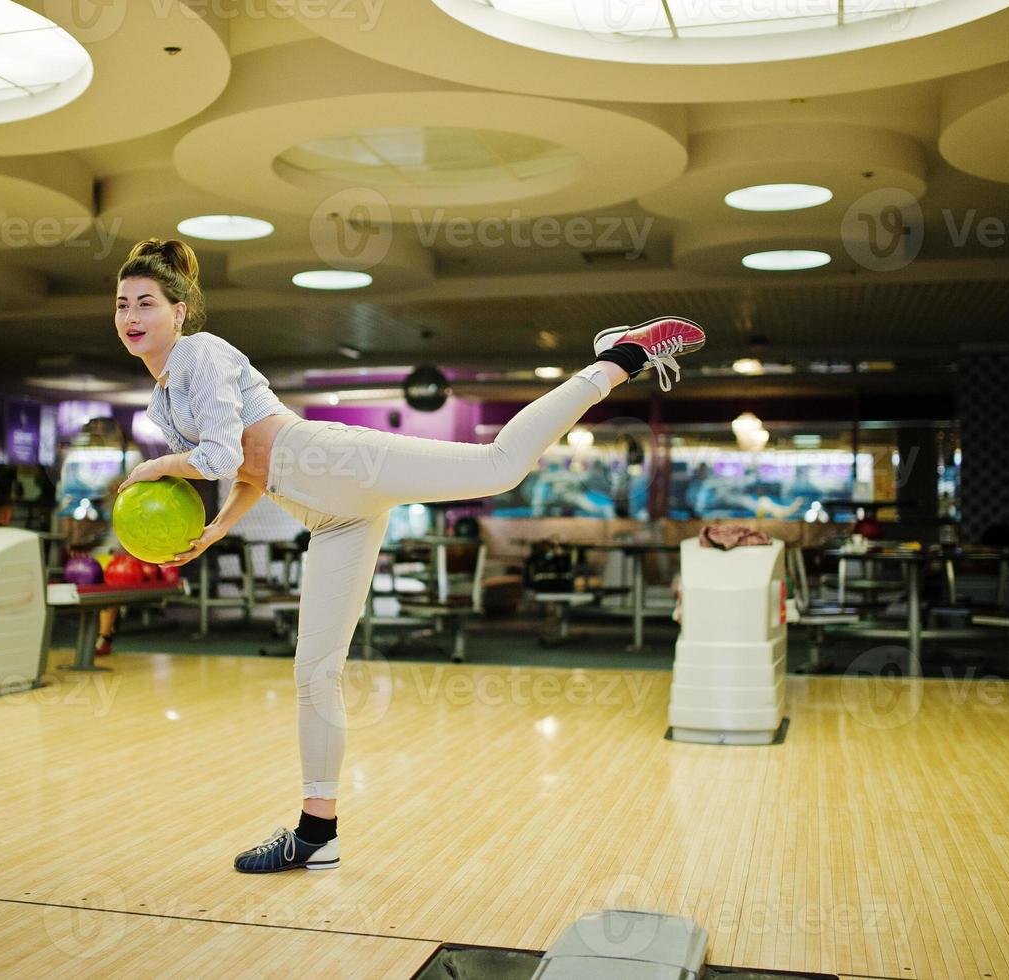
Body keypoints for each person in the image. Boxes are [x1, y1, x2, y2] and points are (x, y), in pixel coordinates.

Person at [113, 238, 706, 873]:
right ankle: (318, 833)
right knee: (315, 674)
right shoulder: (161, 398)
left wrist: (155, 465)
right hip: (322, 510)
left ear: (179, 312)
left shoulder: (201, 354)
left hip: (331, 460)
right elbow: (246, 474)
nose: (131, 316)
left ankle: (617, 357)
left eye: (146, 302)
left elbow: (223, 457)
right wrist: (220, 528)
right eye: (122, 305)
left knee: (498, 466)